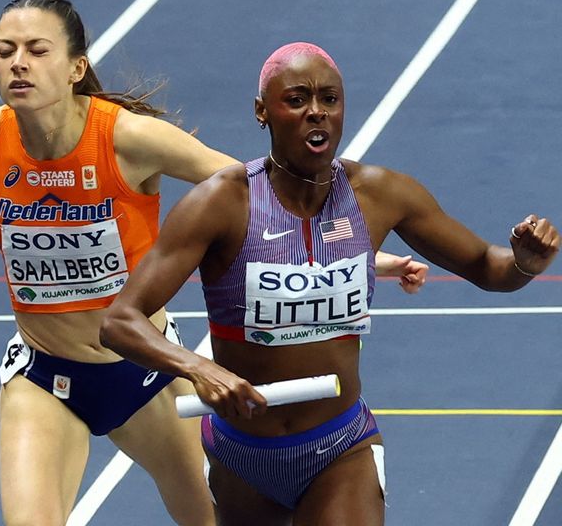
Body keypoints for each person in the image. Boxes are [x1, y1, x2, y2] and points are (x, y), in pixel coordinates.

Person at [0, 0, 426, 525]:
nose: (18, 62)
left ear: (76, 67)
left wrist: (365, 256)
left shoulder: (130, 138)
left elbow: (260, 199)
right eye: (4, 51)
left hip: (144, 374)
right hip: (44, 375)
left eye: (37, 50)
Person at [99, 41, 559, 525]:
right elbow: (121, 321)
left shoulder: (380, 194)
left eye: (329, 99)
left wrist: (525, 262)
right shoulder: (220, 204)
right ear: (262, 112)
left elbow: (488, 266)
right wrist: (197, 367)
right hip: (242, 457)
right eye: (296, 100)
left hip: (339, 448)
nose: (316, 112)